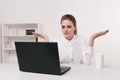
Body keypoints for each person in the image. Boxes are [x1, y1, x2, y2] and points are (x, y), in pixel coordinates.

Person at [32, 14, 109, 64]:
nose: (65, 30)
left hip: (78, 74)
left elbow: (87, 61)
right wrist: (46, 38)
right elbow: (48, 61)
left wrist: (92, 38)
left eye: (69, 27)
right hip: (61, 75)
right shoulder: (56, 41)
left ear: (74, 28)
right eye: (63, 27)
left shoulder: (81, 40)